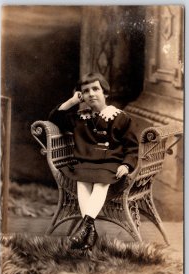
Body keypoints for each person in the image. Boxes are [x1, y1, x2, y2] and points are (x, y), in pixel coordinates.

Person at [49, 72, 138, 250]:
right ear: (82, 96)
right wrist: (73, 101)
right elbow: (54, 118)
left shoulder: (120, 117)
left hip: (109, 164)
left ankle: (85, 228)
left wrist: (126, 165)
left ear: (105, 92)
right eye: (85, 91)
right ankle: (88, 230)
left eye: (95, 89)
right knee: (82, 180)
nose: (91, 94)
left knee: (101, 182)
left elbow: (132, 147)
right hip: (85, 163)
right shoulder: (80, 117)